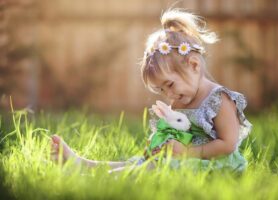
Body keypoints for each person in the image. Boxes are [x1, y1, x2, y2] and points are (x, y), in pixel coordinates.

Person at [50, 8, 252, 173]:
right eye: (161, 90)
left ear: (194, 65)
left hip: (216, 166)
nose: (169, 95)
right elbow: (173, 132)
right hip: (184, 161)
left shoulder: (219, 100)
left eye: (170, 85)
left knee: (153, 170)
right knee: (140, 162)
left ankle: (106, 178)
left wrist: (188, 152)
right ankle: (84, 165)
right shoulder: (180, 100)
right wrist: (160, 145)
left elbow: (228, 145)